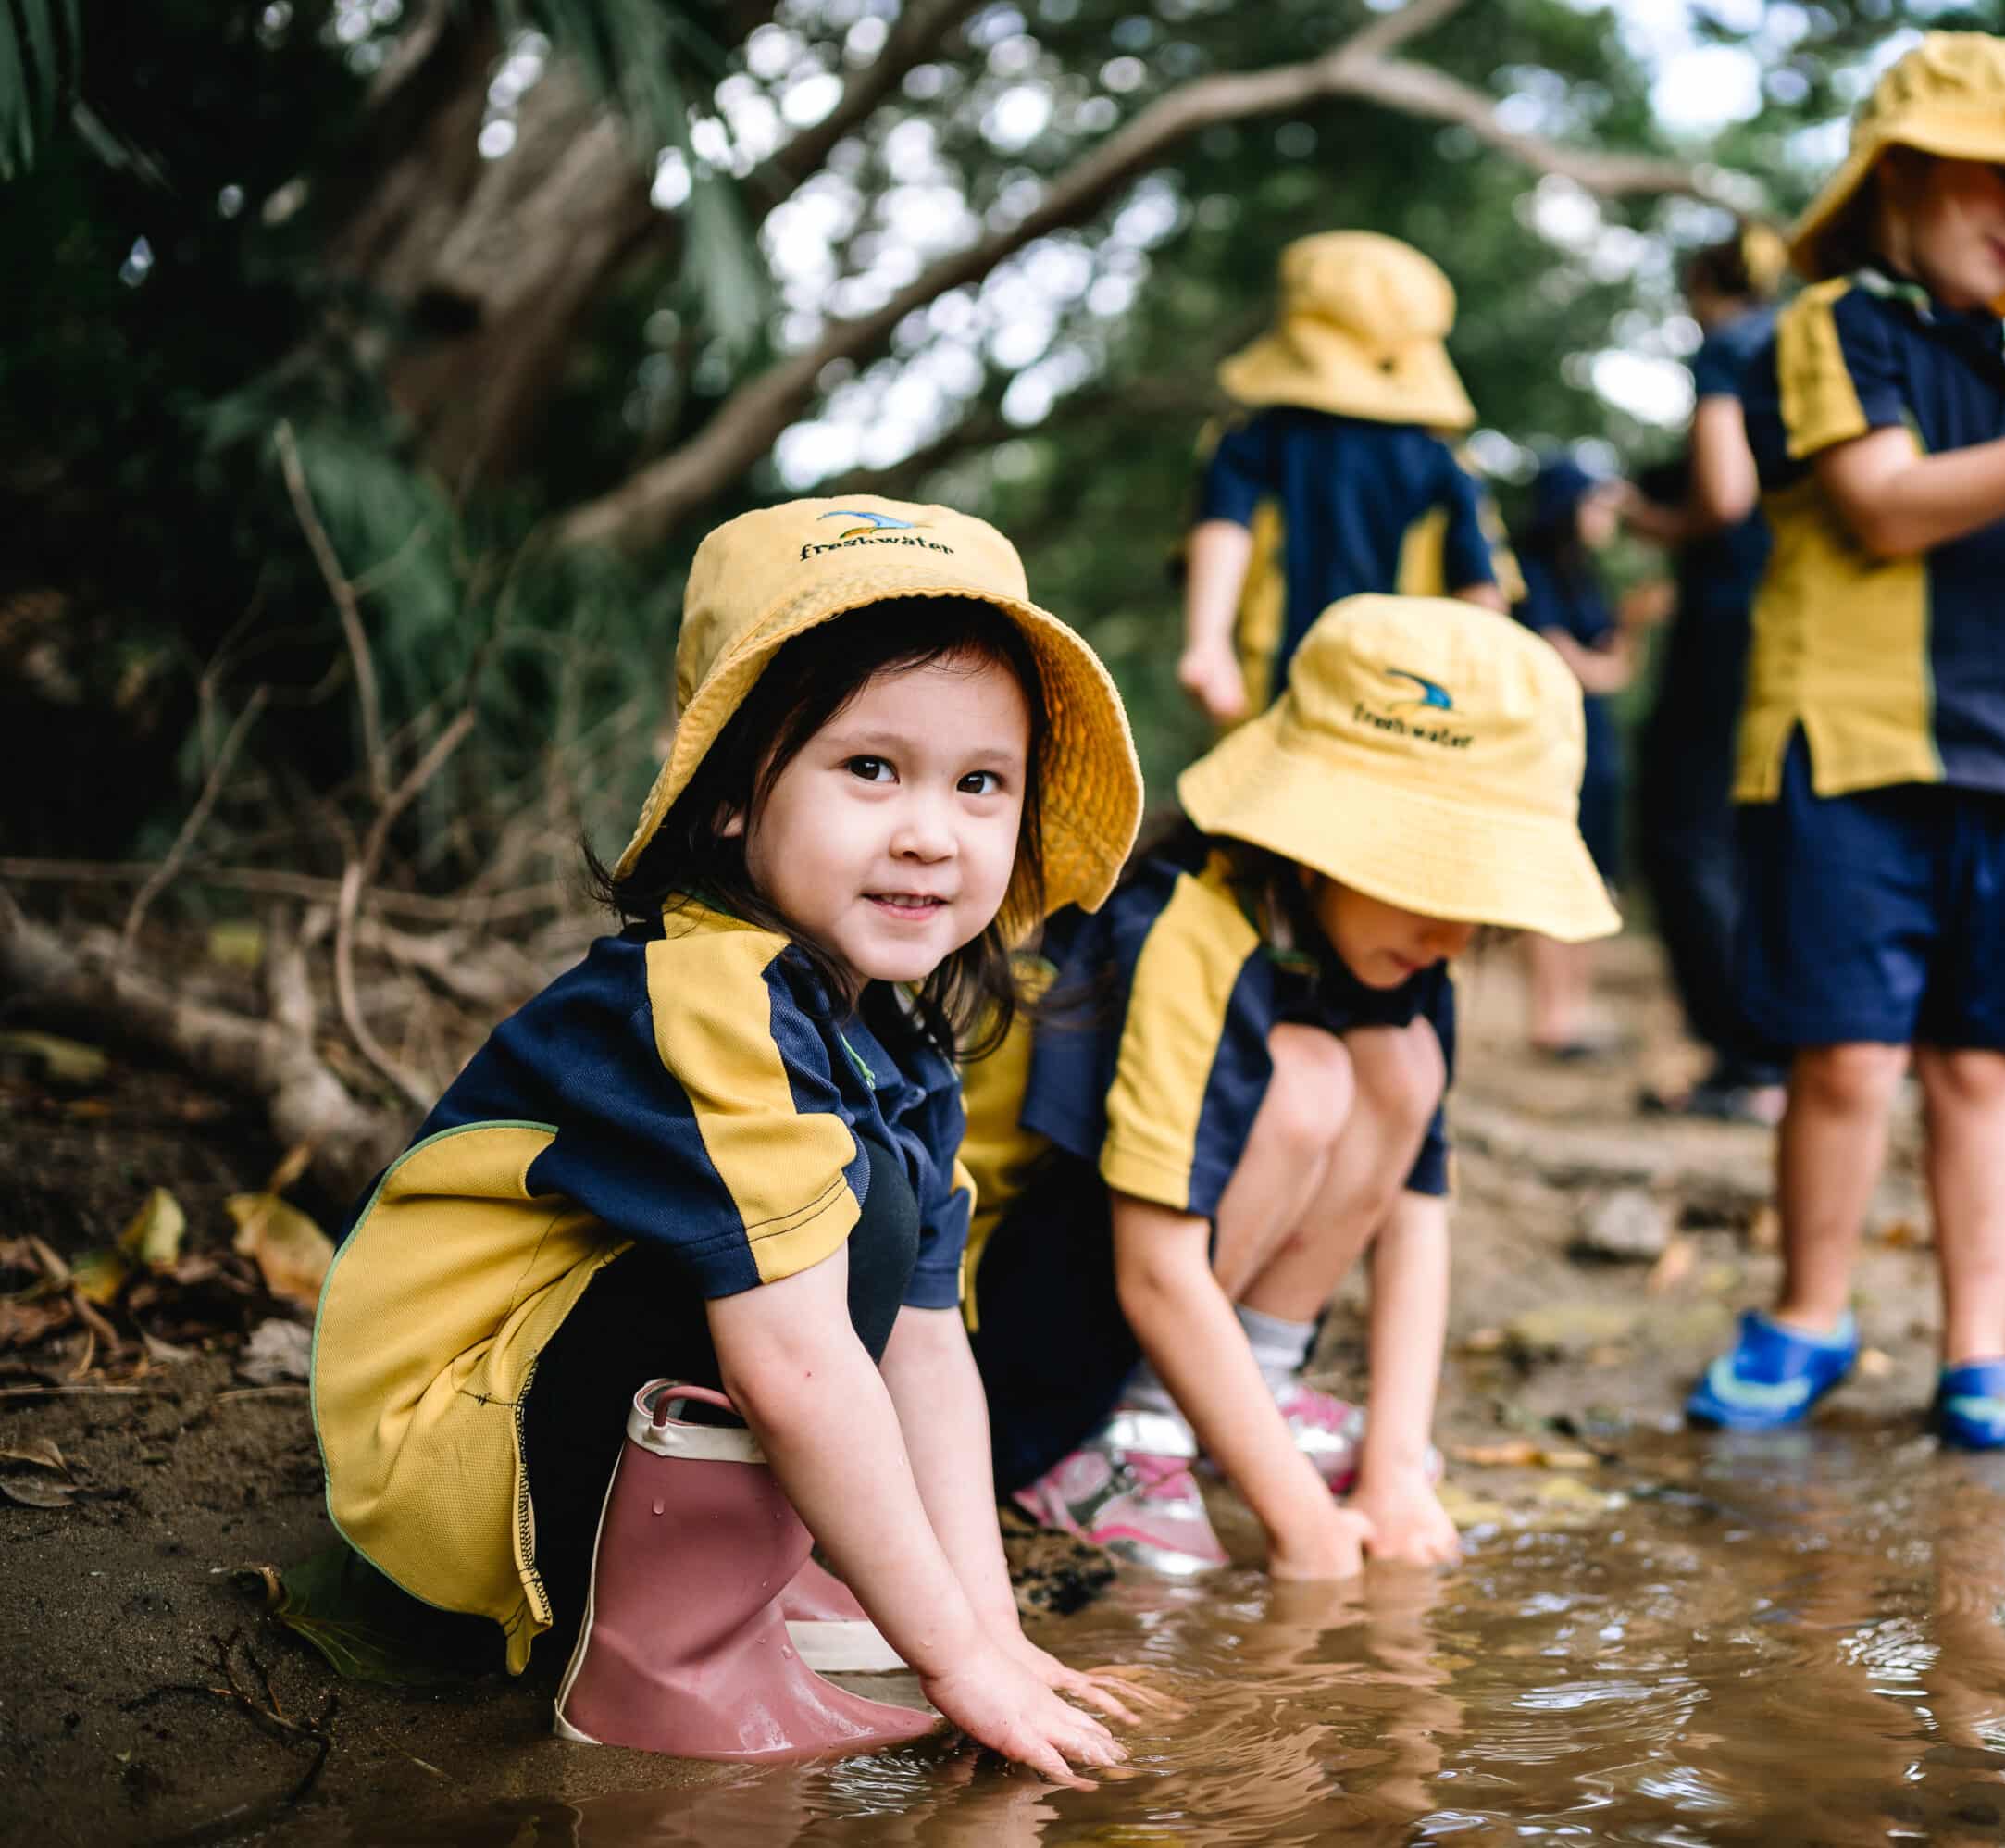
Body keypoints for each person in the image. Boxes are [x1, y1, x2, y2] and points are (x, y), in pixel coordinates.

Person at [311, 498, 1152, 1777]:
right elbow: (800, 1372)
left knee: (874, 1216)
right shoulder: (713, 998)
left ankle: (737, 1581)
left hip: (561, 1417)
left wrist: (993, 1626)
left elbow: (928, 1348)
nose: (932, 828)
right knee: (837, 1224)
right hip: (445, 1472)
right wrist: (955, 1667)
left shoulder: (898, 1042)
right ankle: (662, 1656)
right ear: (724, 800)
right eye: (871, 768)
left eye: (981, 782)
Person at [1685, 33, 2005, 1450]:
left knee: (1983, 1064)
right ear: (1902, 171)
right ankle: (1807, 1314)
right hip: (1845, 749)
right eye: (2001, 174)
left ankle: (1981, 1352)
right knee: (1845, 1056)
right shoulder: (1835, 322)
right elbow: (1889, 506)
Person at [964, 593, 1620, 1578]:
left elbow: (1415, 1216)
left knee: (1398, 1064)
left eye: (1481, 903)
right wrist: (1310, 1537)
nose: (1456, 935)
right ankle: (1123, 1431)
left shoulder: (1404, 947)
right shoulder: (1186, 925)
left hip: (1147, 1288)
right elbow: (1153, 1267)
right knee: (1305, 1076)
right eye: (1435, 880)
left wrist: (1396, 1471)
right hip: (1007, 1343)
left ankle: (1246, 1394)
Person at [1175, 231, 1513, 727]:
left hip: (1275, 680)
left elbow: (1224, 526)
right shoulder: (1443, 456)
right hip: (1401, 695)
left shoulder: (1256, 435)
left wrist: (1207, 645)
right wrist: (1482, 678)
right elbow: (1480, 583)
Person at [1626, 223, 1793, 1123]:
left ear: (1703, 282)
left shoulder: (1727, 349)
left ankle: (1747, 1060)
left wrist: (1651, 521)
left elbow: (1723, 498)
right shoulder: (1806, 342)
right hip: (1802, 620)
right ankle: (1777, 1050)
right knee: (1755, 830)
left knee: (1684, 830)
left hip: (1730, 614)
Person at [1508, 456, 1663, 1058]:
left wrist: (1629, 626)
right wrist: (1621, 637)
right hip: (1547, 744)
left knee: (1595, 879)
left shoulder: (1585, 577)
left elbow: (1617, 669)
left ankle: (1571, 1011)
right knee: (1551, 872)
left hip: (1596, 746)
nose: (1607, 515)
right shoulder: (1532, 573)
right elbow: (1570, 663)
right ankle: (1549, 1017)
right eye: (1596, 502)